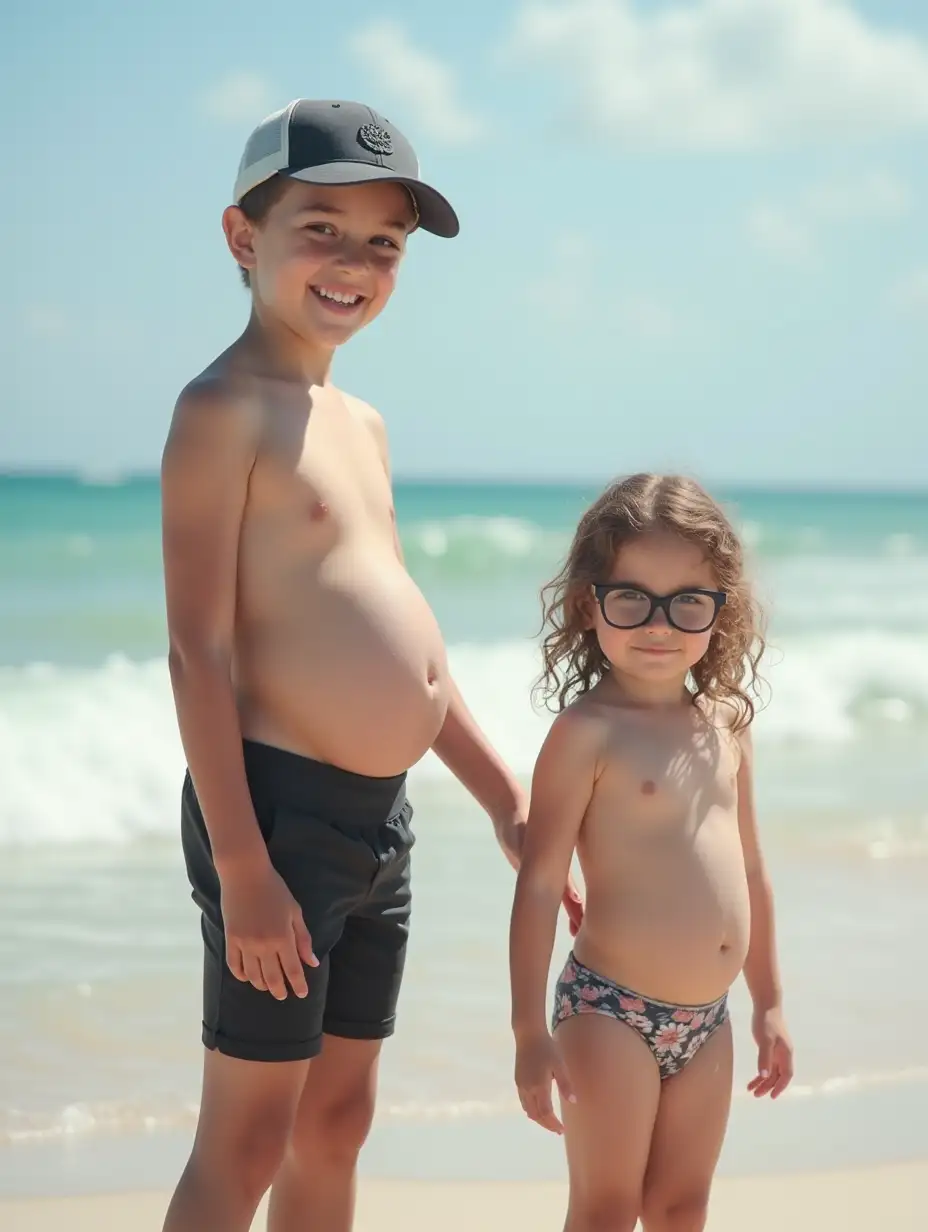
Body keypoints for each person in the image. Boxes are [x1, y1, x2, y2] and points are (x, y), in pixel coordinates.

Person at [160, 98, 582, 1232]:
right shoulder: (220, 409)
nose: (353, 263)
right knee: (247, 1131)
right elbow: (196, 652)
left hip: (376, 821)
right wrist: (243, 867)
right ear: (244, 238)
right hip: (277, 818)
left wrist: (502, 796)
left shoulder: (363, 422)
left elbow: (411, 648)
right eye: (320, 229)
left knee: (336, 1121)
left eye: (382, 244)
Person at [509, 473, 793, 1232]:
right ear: (587, 603)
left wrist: (768, 1002)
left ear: (720, 611)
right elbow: (538, 886)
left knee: (680, 1208)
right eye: (631, 598)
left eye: (687, 603)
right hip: (610, 1012)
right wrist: (527, 1033)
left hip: (710, 1020)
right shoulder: (586, 733)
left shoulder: (727, 723)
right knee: (606, 1210)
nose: (658, 626)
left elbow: (753, 871)